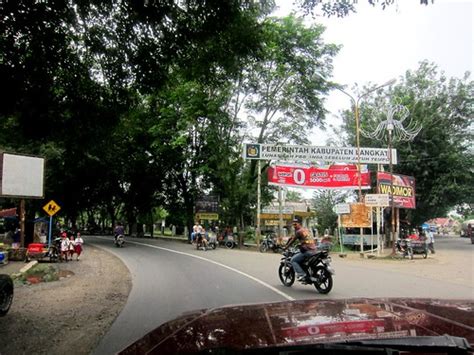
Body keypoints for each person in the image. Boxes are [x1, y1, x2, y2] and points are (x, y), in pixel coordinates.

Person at [284, 218, 317, 282]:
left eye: (295, 224)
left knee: (293, 260)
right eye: (293, 224)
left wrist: (286, 247)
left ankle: (302, 274)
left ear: (299, 224)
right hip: (314, 250)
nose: (294, 226)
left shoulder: (299, 231)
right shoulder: (306, 230)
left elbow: (292, 240)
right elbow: (293, 238)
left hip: (307, 251)